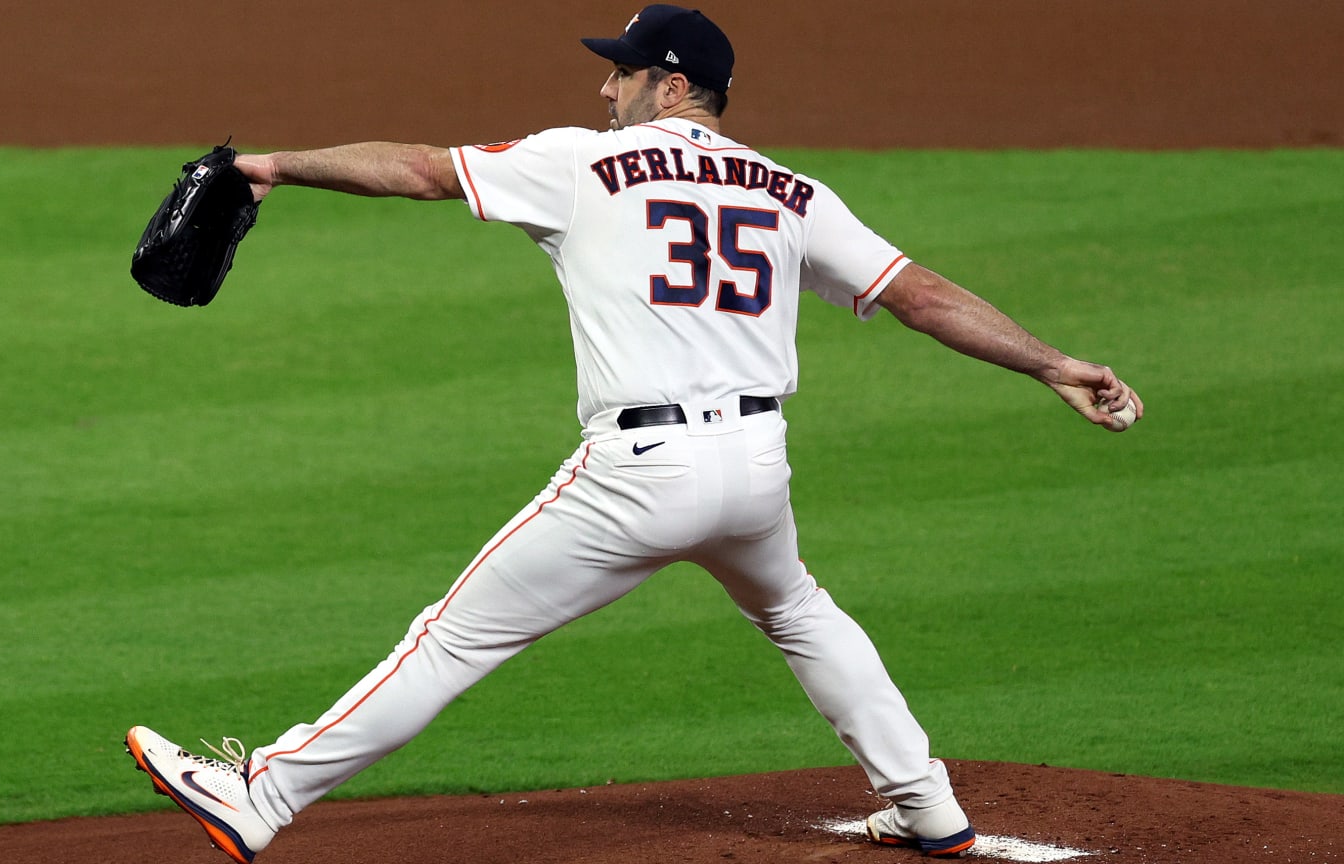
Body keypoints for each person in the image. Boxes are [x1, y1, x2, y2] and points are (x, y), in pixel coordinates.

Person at [125, 5, 1142, 861]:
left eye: (618, 74)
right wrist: (1055, 363)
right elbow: (918, 295)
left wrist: (274, 165)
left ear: (669, 82)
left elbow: (424, 169)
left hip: (639, 473)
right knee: (797, 610)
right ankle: (931, 811)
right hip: (754, 470)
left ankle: (260, 796)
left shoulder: (583, 166)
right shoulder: (793, 193)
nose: (603, 92)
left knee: (449, 642)